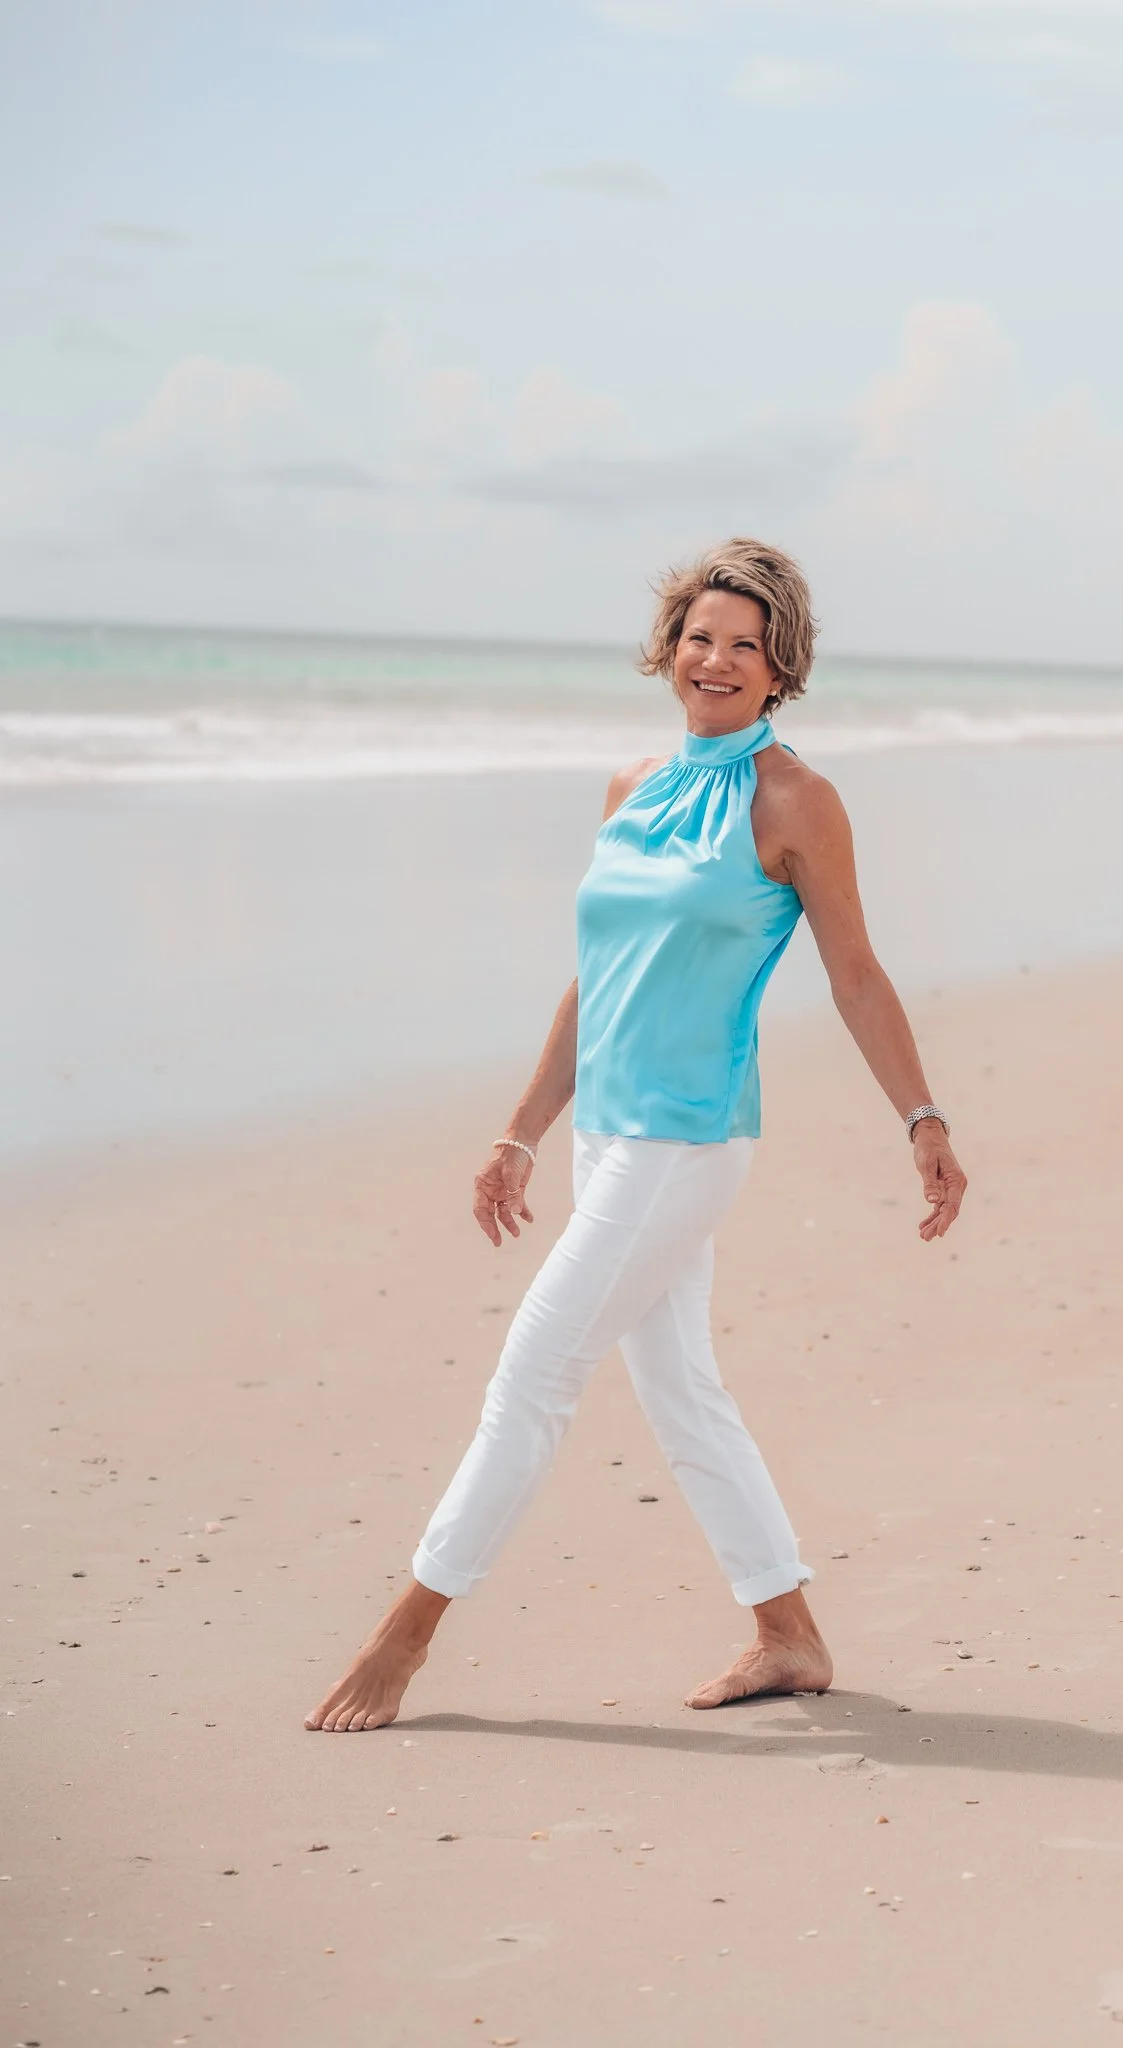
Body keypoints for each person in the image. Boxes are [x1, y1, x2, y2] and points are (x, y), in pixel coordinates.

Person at [306, 537, 967, 1733]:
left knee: (534, 1371)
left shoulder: (793, 800)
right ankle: (787, 1632)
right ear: (669, 648)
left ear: (780, 671)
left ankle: (405, 1633)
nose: (716, 659)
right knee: (680, 1388)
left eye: (745, 646)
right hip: (604, 1133)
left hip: (686, 1138)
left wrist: (919, 1116)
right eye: (700, 637)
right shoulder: (630, 784)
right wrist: (518, 1131)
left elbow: (854, 972)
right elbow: (593, 976)